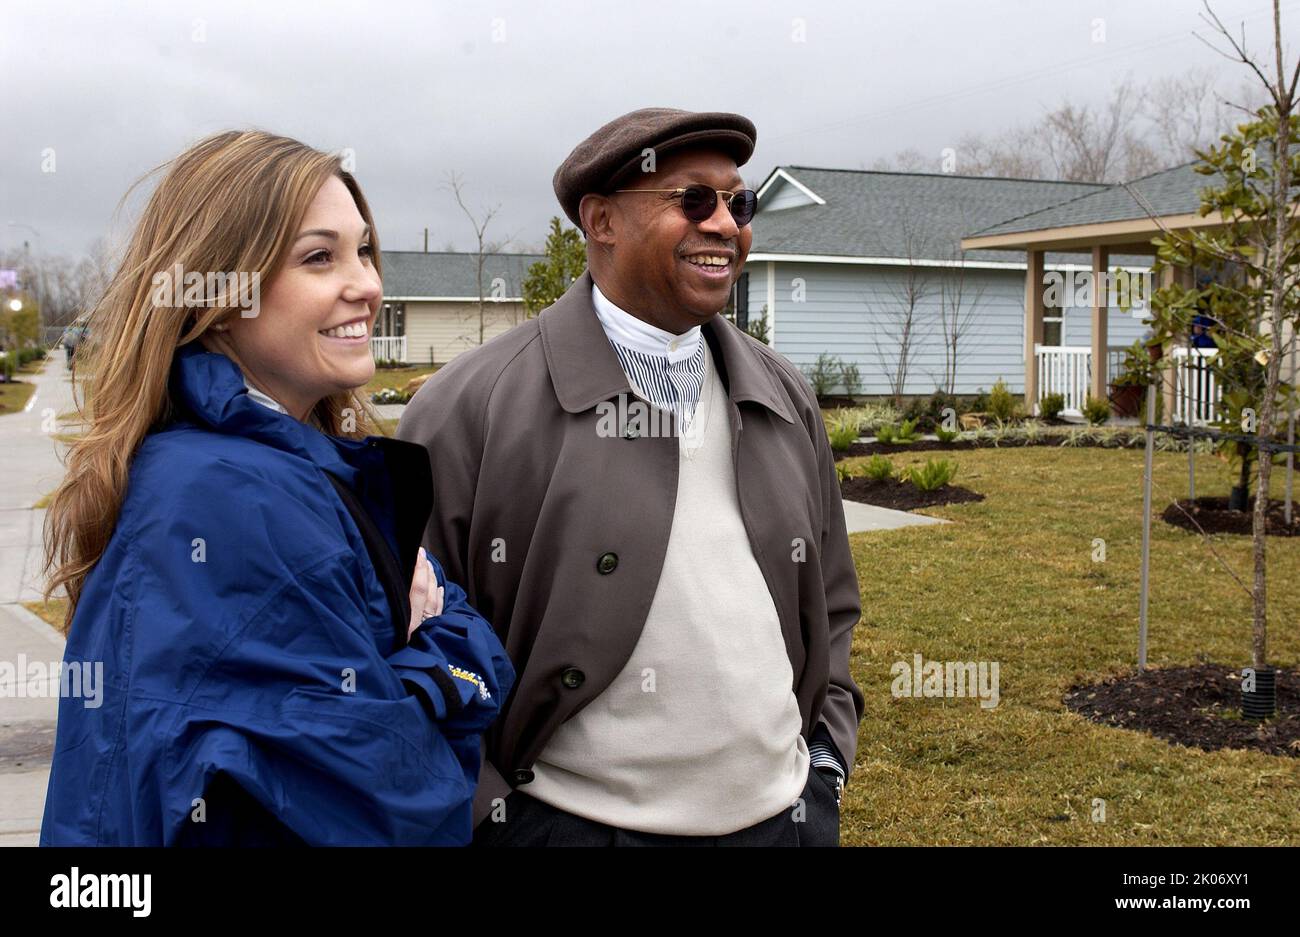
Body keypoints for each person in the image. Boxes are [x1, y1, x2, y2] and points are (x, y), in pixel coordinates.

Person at [398, 107, 864, 846]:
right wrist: (493, 813)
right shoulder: (468, 406)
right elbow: (410, 643)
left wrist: (827, 760)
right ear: (602, 220)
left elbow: (832, 602)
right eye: (693, 200)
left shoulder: (783, 394)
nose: (725, 224)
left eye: (738, 203)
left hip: (787, 821)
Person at [38, 130, 513, 846]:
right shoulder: (225, 497)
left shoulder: (290, 467)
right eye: (319, 257)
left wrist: (416, 658)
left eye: (363, 250)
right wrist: (440, 650)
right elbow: (397, 805)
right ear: (220, 295)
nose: (367, 284)